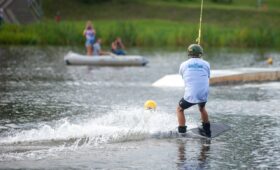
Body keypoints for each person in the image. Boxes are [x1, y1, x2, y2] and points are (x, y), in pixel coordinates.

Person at [176, 44, 211, 137]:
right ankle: (207, 130)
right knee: (202, 108)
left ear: (189, 53)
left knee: (179, 109)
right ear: (200, 54)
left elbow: (183, 76)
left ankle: (182, 132)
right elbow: (207, 76)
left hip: (191, 94)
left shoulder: (183, 64)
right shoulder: (206, 64)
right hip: (203, 93)